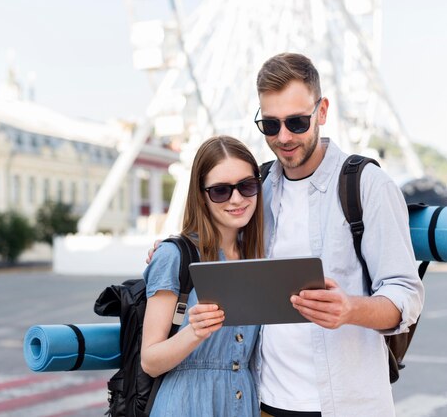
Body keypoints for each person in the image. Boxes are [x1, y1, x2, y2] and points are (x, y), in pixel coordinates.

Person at [254, 53, 424, 416]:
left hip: (345, 404)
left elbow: (405, 295)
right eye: (270, 125)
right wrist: (170, 249)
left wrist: (350, 309)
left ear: (322, 111)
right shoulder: (257, 188)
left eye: (297, 122)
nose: (283, 137)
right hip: (264, 402)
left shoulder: (368, 186)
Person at [140, 135, 265, 417]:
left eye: (246, 186)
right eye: (220, 191)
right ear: (201, 195)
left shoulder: (258, 258)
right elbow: (150, 360)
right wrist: (194, 332)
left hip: (242, 404)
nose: (237, 199)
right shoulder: (174, 256)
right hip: (186, 405)